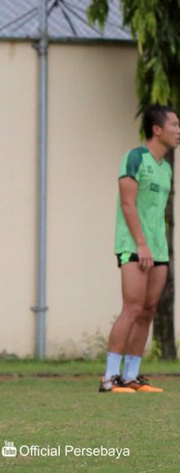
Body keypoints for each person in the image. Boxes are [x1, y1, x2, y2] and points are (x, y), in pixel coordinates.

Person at [99, 105, 180, 393]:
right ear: (157, 129)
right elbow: (127, 204)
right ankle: (109, 378)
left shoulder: (167, 167)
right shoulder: (134, 158)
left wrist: (157, 248)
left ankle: (131, 377)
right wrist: (141, 244)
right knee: (132, 308)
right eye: (174, 125)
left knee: (147, 311)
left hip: (158, 251)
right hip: (133, 246)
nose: (178, 131)